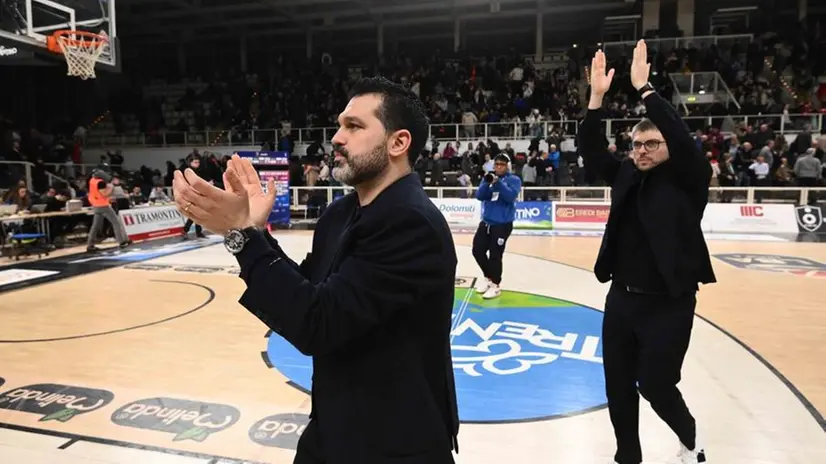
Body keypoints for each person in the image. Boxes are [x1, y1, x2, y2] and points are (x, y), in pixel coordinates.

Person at [172, 76, 460, 464]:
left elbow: (318, 324)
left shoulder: (411, 223)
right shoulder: (340, 213)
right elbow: (307, 292)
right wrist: (255, 231)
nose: (337, 138)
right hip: (333, 427)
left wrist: (239, 233)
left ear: (398, 143)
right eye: (340, 124)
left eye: (354, 126)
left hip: (394, 443)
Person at [579, 41, 716, 464]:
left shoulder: (689, 180)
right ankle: (628, 457)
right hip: (621, 299)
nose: (641, 151)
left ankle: (691, 438)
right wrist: (597, 99)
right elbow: (590, 148)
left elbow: (679, 135)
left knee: (655, 384)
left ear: (668, 147)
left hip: (669, 304)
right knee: (617, 387)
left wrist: (644, 89)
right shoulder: (624, 173)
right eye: (637, 145)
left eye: (651, 144)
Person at [472, 153, 521, 299]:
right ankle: (489, 278)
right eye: (497, 164)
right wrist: (488, 183)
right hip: (486, 222)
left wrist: (498, 183)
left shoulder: (514, 180)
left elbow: (510, 196)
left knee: (495, 255)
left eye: (502, 165)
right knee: (477, 251)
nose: (499, 167)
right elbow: (480, 196)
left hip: (502, 224)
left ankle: (496, 285)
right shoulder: (488, 177)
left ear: (507, 166)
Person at [86, 170, 131, 252]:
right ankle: (122, 241)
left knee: (95, 226)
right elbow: (104, 194)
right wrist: (111, 187)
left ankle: (90, 245)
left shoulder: (92, 180)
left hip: (95, 204)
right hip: (103, 205)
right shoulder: (101, 183)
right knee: (116, 222)